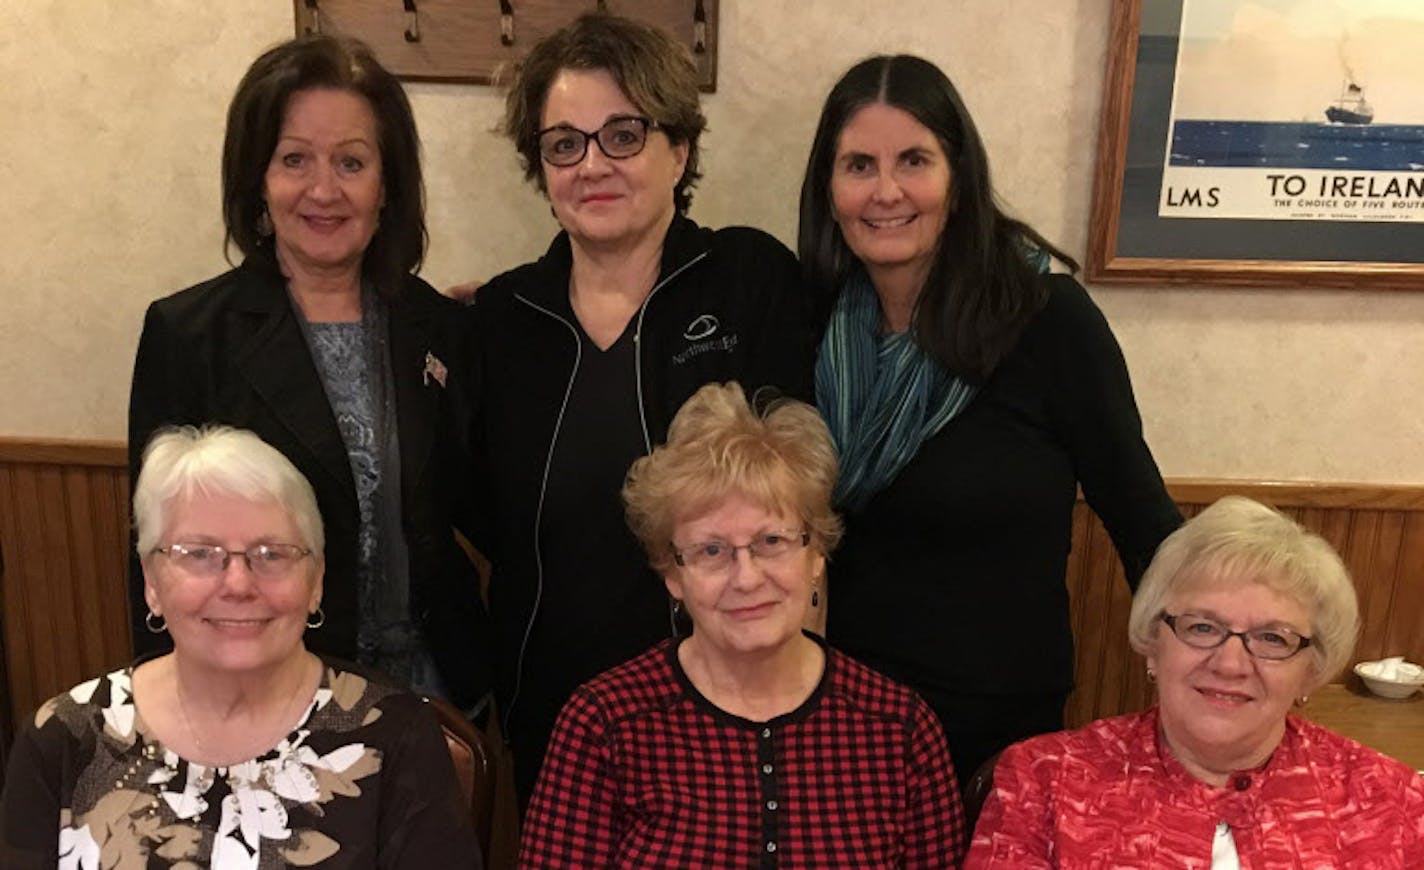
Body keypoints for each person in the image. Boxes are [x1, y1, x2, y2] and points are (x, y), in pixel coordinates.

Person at [797, 54, 1182, 786]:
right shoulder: (811, 316)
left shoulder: (1044, 316)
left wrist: (1217, 665)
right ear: (828, 186)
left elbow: (1142, 518)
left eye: (914, 160)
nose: (885, 192)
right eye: (858, 165)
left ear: (959, 175)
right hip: (836, 709)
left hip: (992, 726)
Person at [464, 13, 813, 804]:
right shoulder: (502, 317)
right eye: (564, 143)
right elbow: (481, 505)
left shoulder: (750, 279)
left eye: (622, 134)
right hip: (552, 705)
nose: (592, 165)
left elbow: (802, 492)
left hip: (733, 698)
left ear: (679, 149)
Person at [127, 35, 489, 711]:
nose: (324, 189)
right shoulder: (190, 335)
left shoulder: (438, 326)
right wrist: (173, 713)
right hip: (263, 695)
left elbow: (478, 499)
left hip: (434, 692)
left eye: (352, 161)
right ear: (258, 180)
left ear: (388, 184)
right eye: (295, 159)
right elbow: (157, 551)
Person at [519, 382, 965, 866]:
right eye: (712, 550)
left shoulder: (899, 729)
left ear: (815, 552)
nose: (747, 578)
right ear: (673, 573)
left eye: (771, 540)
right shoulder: (604, 723)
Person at [0, 426, 481, 869]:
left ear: (315, 581)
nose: (238, 583)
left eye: (272, 554)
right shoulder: (64, 738)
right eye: (200, 554)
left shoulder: (393, 736)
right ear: (151, 581)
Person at [966, 496, 1424, 866]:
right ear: (1153, 642)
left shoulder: (1393, 803)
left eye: (1271, 637)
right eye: (1202, 627)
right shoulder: (1043, 783)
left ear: (1312, 667)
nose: (1230, 663)